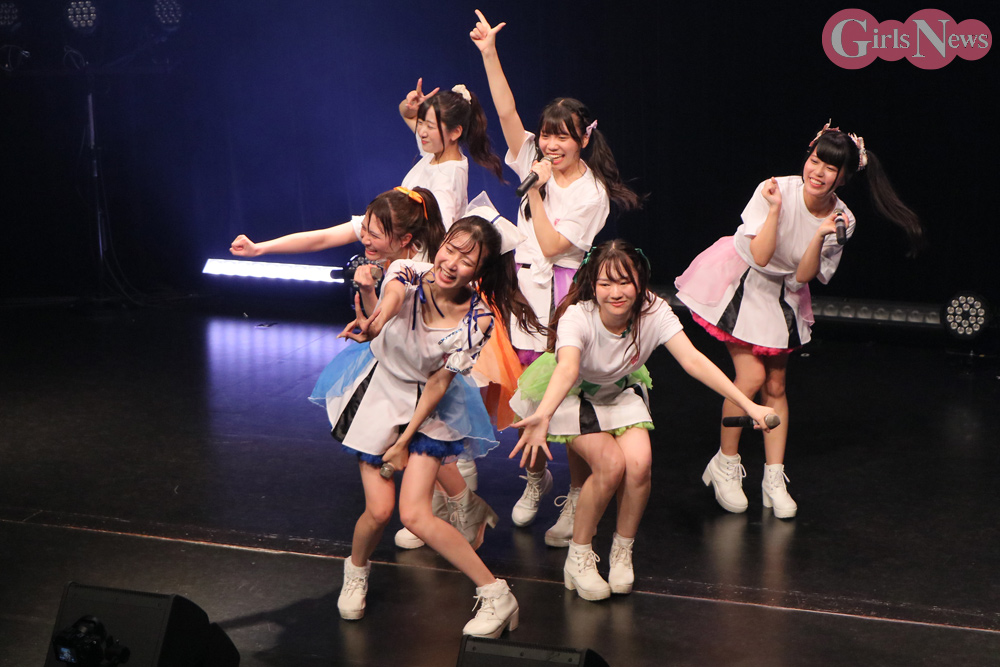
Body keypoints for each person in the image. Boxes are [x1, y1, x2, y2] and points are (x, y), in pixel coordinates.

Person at [674, 121, 923, 519]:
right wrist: (775, 209)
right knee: (750, 377)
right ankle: (725, 463)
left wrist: (820, 235)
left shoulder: (843, 219)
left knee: (776, 384)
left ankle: (773, 477)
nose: (817, 172)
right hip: (743, 282)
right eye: (814, 160)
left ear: (844, 177)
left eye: (830, 168)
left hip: (785, 295)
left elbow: (805, 276)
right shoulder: (775, 189)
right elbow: (761, 255)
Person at [510, 240, 777, 601]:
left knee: (639, 465)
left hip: (619, 390)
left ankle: (622, 550)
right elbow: (568, 368)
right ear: (592, 284)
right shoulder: (578, 316)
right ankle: (579, 556)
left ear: (640, 281)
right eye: (606, 283)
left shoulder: (654, 311)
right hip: (573, 393)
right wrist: (543, 414)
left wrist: (750, 406)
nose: (616, 292)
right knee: (610, 466)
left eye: (625, 282)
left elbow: (693, 361)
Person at [316, 215, 544, 636]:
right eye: (450, 249)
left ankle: (496, 594)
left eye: (467, 260)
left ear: (480, 271)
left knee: (416, 514)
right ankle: (357, 570)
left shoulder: (479, 318)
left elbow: (440, 382)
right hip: (381, 392)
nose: (452, 263)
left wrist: (404, 440)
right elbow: (384, 310)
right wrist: (370, 307)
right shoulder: (409, 271)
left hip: (429, 407)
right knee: (379, 511)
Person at [470, 10, 642, 541]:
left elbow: (550, 245)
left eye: (562, 137)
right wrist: (489, 53)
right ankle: (536, 477)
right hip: (523, 291)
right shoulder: (532, 156)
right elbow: (506, 111)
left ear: (583, 139)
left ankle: (576, 496)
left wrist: (537, 189)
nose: (550, 145)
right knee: (528, 394)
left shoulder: (592, 194)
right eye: (546, 135)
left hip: (565, 298)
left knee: (567, 403)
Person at [230, 186, 443, 316]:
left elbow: (385, 329)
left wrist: (367, 292)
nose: (365, 239)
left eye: (374, 236)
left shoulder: (422, 272)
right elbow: (320, 239)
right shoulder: (380, 230)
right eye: (363, 230)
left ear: (405, 239)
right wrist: (259, 249)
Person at [398, 78, 505, 229]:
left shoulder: (447, 179)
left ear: (455, 132)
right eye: (420, 123)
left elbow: (440, 232)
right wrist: (412, 105)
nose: (421, 132)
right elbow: (406, 113)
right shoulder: (436, 150)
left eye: (430, 126)